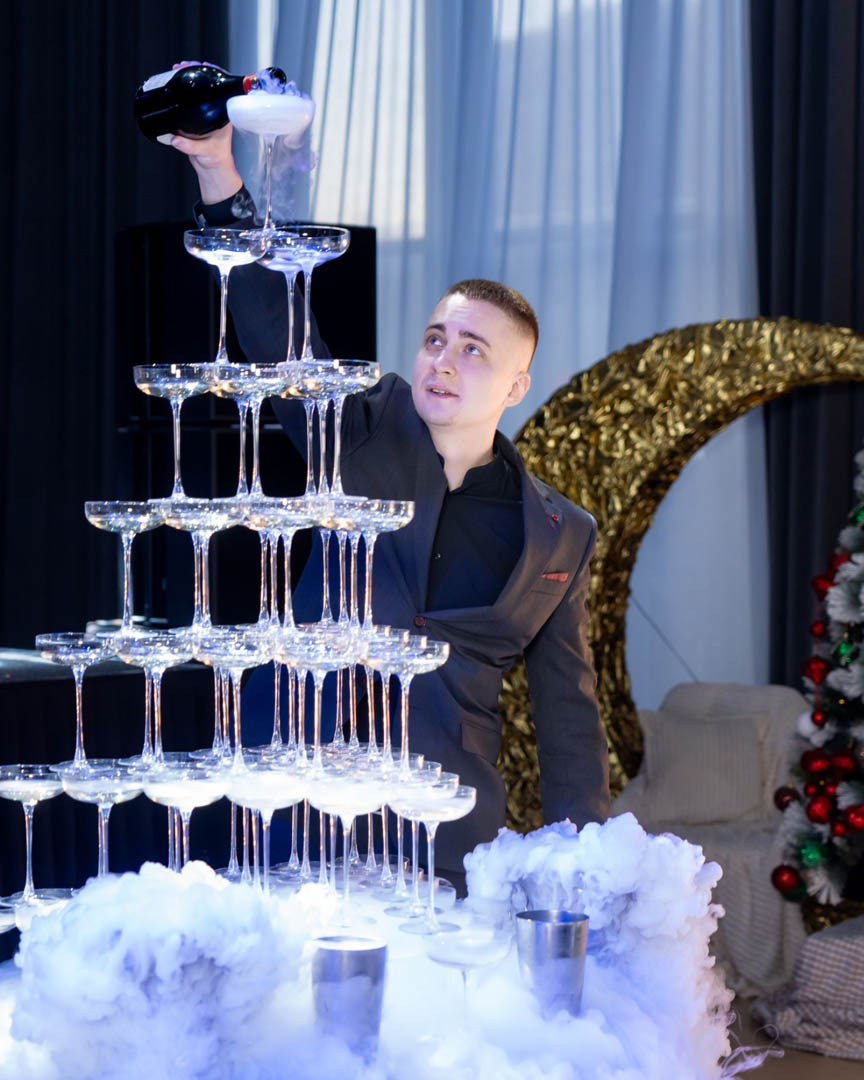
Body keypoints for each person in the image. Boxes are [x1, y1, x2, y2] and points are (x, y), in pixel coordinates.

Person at [170, 124, 610, 878]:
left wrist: (591, 866)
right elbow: (280, 332)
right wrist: (218, 172)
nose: (444, 361)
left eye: (472, 349)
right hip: (305, 792)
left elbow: (568, 714)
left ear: (516, 386)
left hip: (449, 821)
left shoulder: (563, 533)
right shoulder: (364, 425)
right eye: (436, 339)